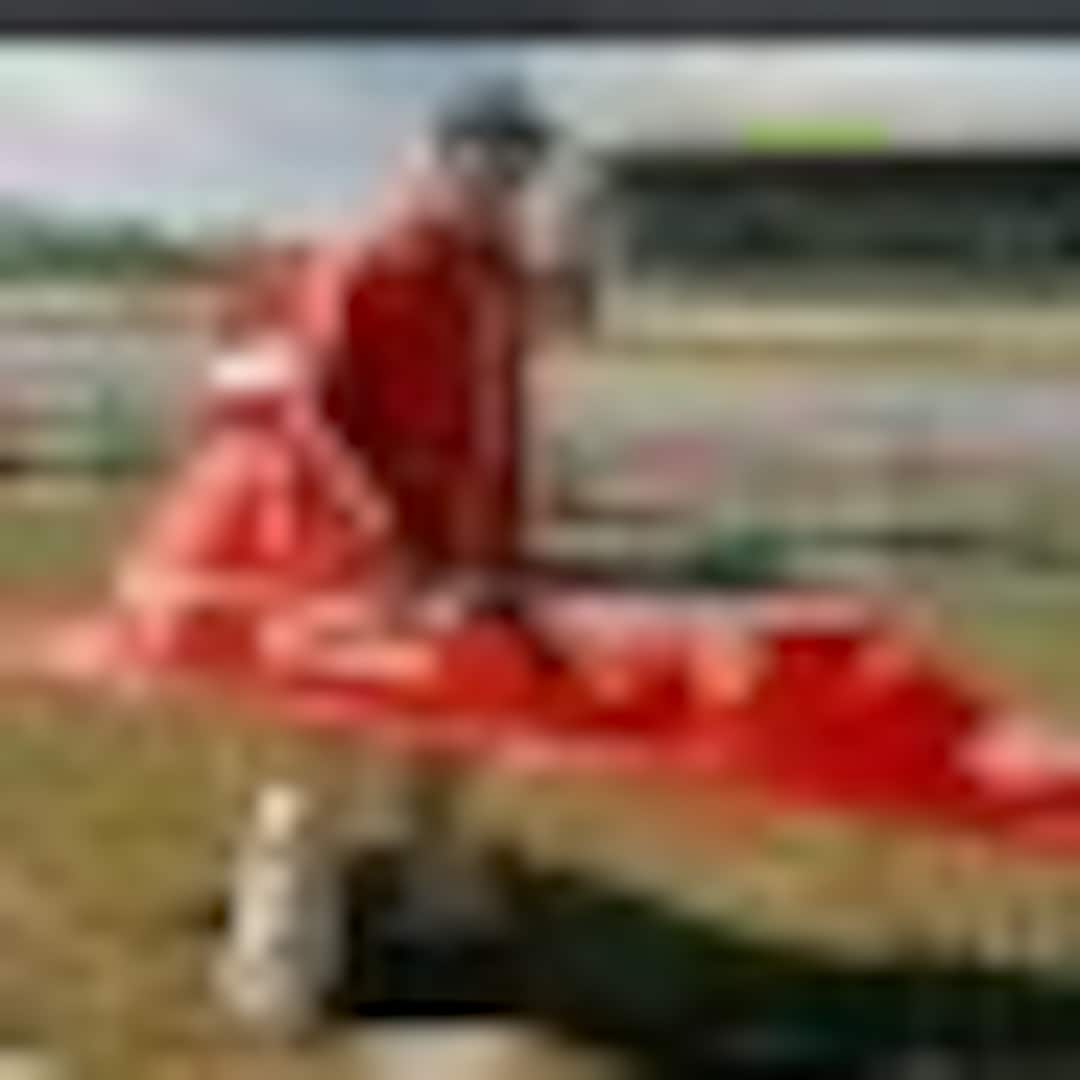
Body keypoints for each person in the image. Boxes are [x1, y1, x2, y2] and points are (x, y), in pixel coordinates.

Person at [319, 78, 556, 598]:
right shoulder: (369, 272)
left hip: (470, 563)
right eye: (486, 171)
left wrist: (501, 551)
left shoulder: (500, 282)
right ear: (437, 164)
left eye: (518, 176)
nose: (500, 193)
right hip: (378, 565)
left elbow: (500, 428)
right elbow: (309, 428)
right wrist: (374, 538)